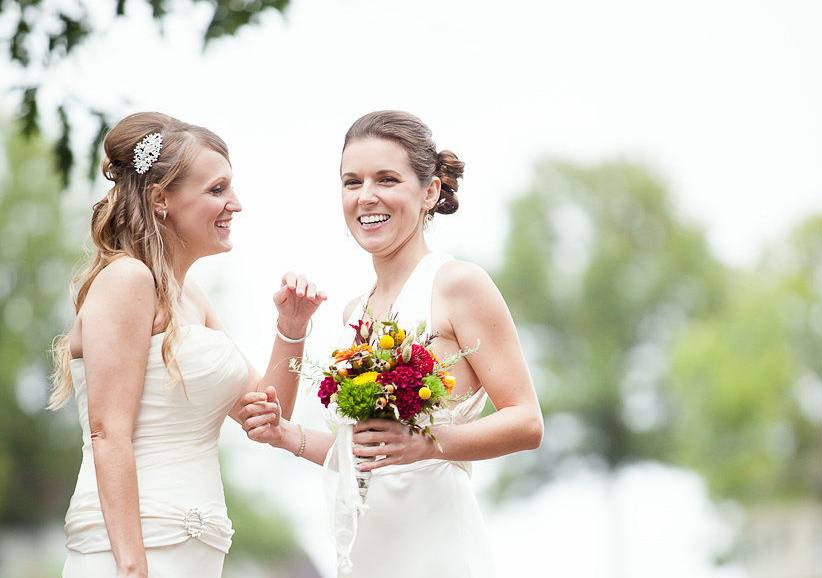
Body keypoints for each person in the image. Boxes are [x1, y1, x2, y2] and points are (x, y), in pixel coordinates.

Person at [239, 110, 544, 577]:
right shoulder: (353, 313)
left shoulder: (458, 284)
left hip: (437, 543)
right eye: (352, 181)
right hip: (368, 548)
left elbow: (527, 422)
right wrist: (285, 435)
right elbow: (363, 452)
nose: (366, 197)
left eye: (386, 179)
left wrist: (426, 443)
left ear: (430, 192)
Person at [50, 112, 325, 578]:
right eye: (217, 190)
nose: (235, 204)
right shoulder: (126, 280)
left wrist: (291, 327)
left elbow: (264, 416)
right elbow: (107, 431)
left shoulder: (192, 299)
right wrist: (133, 567)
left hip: (197, 551)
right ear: (162, 199)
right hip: (137, 550)